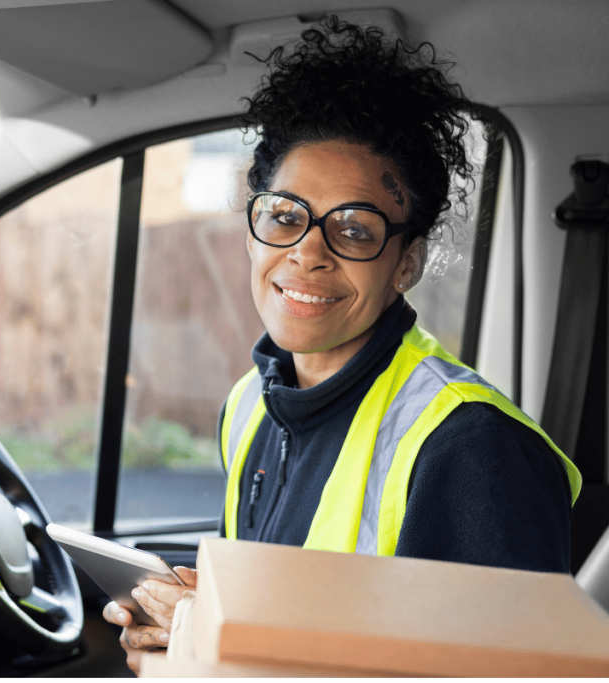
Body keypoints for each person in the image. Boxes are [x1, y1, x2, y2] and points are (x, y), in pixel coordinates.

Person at [103, 16, 582, 674]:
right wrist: (184, 634)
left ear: (406, 262)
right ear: (253, 229)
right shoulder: (251, 405)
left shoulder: (474, 451)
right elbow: (290, 623)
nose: (306, 253)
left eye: (354, 230)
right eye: (285, 215)